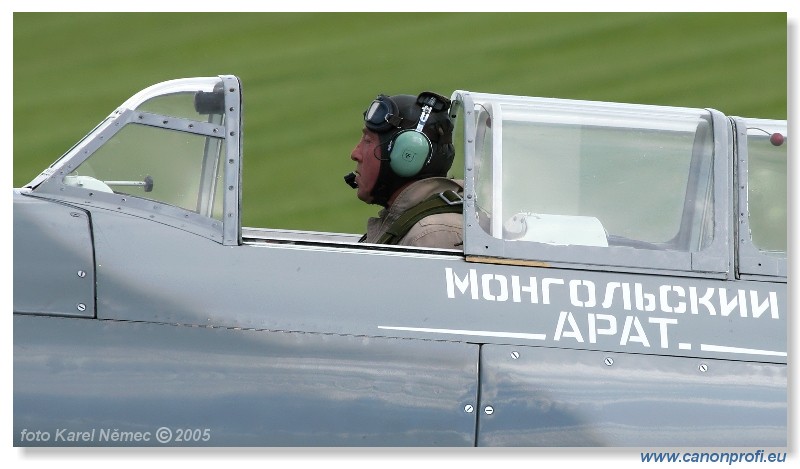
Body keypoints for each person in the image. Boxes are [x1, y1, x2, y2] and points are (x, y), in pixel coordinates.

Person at [345, 91, 463, 249]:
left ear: (409, 155)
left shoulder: (432, 235)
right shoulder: (408, 223)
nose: (355, 154)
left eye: (368, 141)